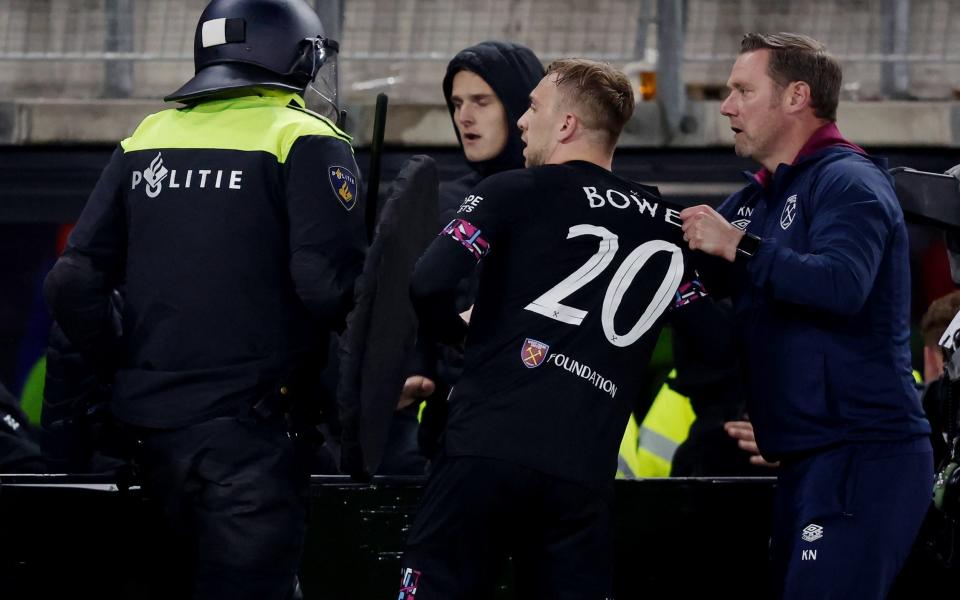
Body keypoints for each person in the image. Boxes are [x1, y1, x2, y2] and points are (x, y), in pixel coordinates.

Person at [42, 0, 366, 598]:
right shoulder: (303, 136)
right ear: (297, 54)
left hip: (146, 438)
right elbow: (325, 288)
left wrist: (123, 358)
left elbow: (72, 281)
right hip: (252, 445)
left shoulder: (148, 136)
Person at [398, 58, 717, 599]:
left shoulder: (513, 189)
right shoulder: (668, 226)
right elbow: (714, 340)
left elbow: (427, 282)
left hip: (484, 451)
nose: (523, 121)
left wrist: (462, 332)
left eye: (534, 108)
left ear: (566, 125)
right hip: (582, 476)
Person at [679, 32, 932, 599]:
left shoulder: (850, 180)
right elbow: (680, 272)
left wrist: (739, 247)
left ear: (796, 96)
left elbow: (842, 283)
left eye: (743, 90)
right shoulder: (759, 198)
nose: (726, 106)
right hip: (807, 459)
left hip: (866, 454)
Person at [397, 41, 545, 458]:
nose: (464, 116)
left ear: (522, 105)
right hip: (450, 433)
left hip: (537, 431)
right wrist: (414, 369)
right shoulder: (444, 202)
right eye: (457, 102)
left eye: (482, 101)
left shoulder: (562, 199)